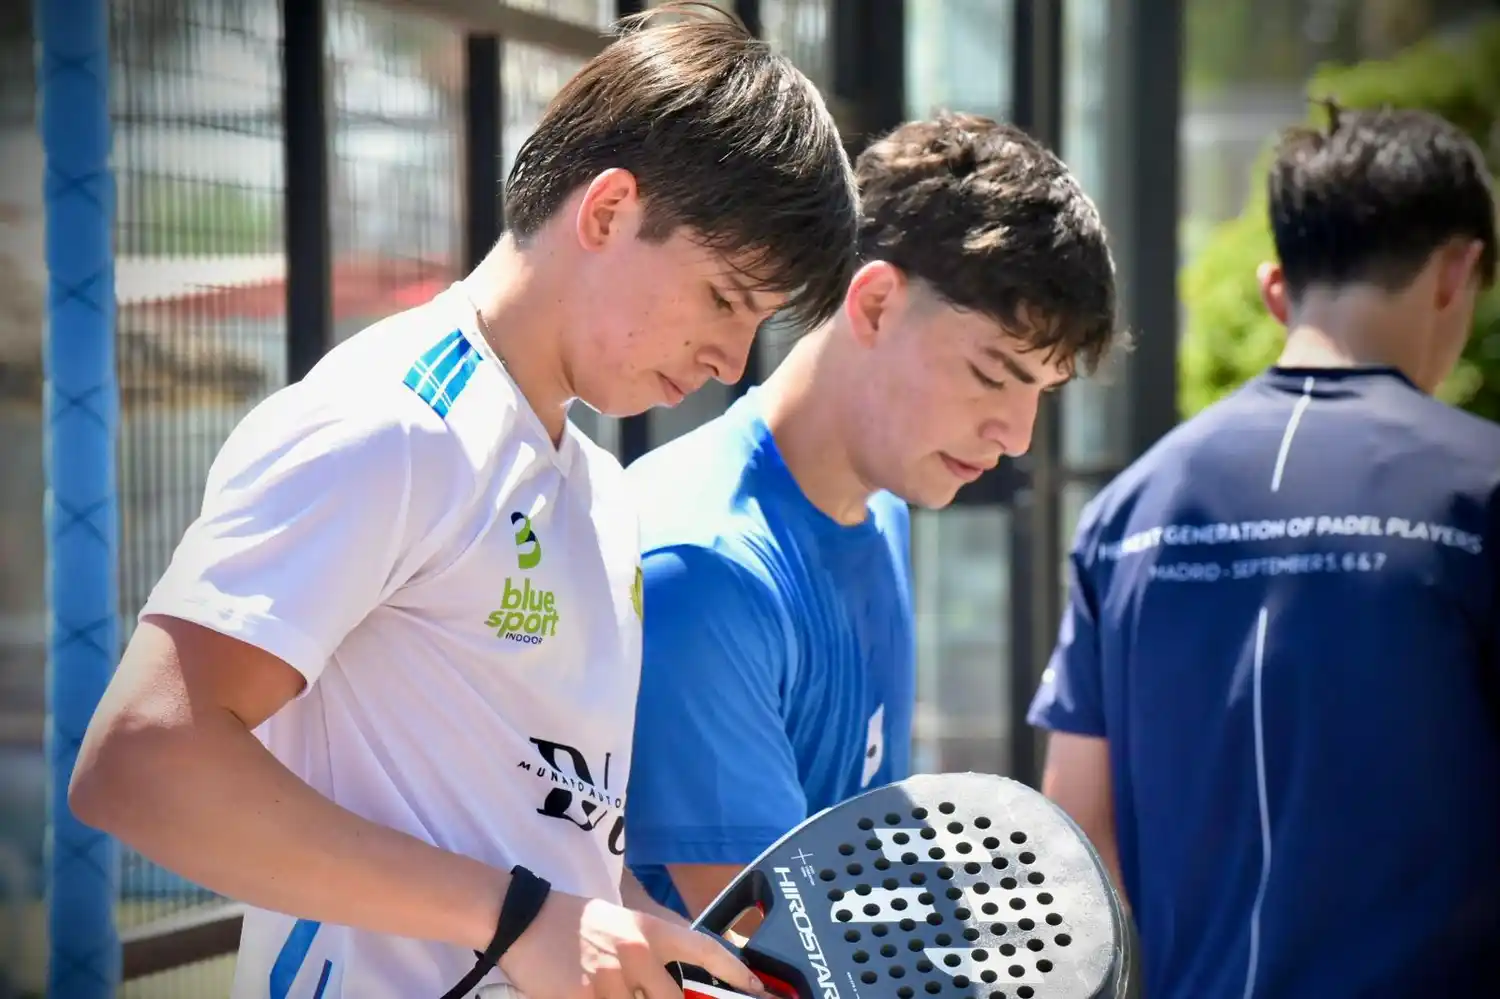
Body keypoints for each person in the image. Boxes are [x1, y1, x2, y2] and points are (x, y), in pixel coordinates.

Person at [67, 7, 859, 999]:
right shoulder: (392, 424)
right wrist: (518, 919)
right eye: (724, 299)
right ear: (609, 211)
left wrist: (650, 944)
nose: (732, 361)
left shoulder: (597, 491)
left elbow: (549, 849)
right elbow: (139, 764)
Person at [1027, 105, 1500, 998]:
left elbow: (1074, 840)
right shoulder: (1482, 492)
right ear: (1458, 270)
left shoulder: (1129, 513)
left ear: (1276, 289)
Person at [622, 113, 1121, 921]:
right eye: (994, 374)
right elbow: (782, 945)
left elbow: (871, 850)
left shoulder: (881, 506)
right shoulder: (703, 565)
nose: (1018, 434)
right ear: (879, 302)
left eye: (1043, 391)